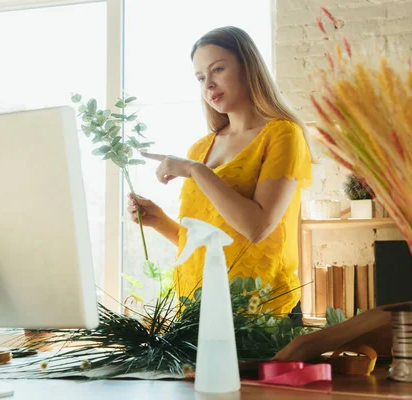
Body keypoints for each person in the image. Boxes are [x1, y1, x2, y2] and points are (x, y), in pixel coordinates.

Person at [127, 26, 312, 317]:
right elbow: (211, 242)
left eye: (218, 69)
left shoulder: (282, 135)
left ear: (248, 68)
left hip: (261, 312)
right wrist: (160, 221)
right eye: (201, 78)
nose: (208, 85)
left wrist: (196, 171)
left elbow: (256, 228)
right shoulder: (200, 149)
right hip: (195, 310)